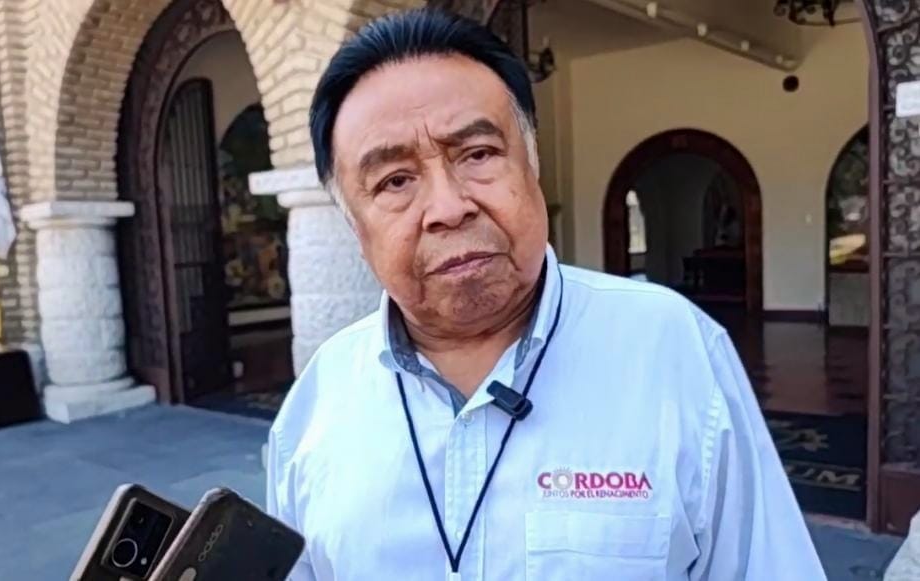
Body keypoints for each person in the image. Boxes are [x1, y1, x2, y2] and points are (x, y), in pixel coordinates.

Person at [266, 8, 826, 580]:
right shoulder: (317, 404)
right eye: (395, 181)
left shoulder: (674, 348)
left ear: (533, 166)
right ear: (356, 228)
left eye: (478, 154)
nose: (449, 208)